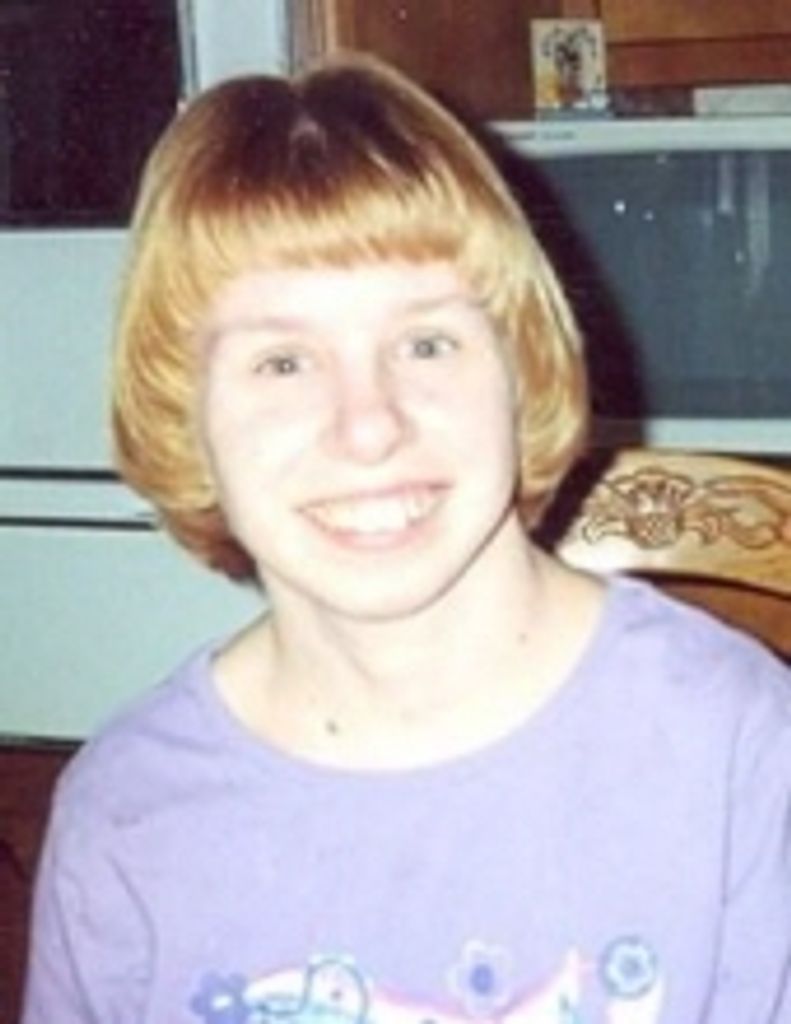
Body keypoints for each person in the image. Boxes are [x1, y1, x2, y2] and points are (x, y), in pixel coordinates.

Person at [22, 55, 791, 1024]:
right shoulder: (128, 814)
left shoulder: (735, 752)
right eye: (282, 361)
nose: (368, 427)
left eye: (426, 343)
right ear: (184, 416)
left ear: (520, 368)